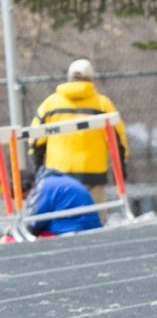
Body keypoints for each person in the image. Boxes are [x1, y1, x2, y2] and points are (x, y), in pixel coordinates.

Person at [29, 58, 128, 217]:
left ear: (69, 78)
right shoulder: (102, 104)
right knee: (94, 221)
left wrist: (38, 171)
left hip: (58, 178)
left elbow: (35, 141)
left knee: (61, 222)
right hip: (93, 176)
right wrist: (121, 171)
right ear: (91, 79)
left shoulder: (50, 104)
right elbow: (119, 141)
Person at [20, 167, 102, 236]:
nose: (26, 200)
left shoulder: (43, 187)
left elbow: (34, 223)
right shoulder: (54, 180)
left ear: (26, 186)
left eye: (24, 197)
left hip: (72, 230)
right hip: (86, 226)